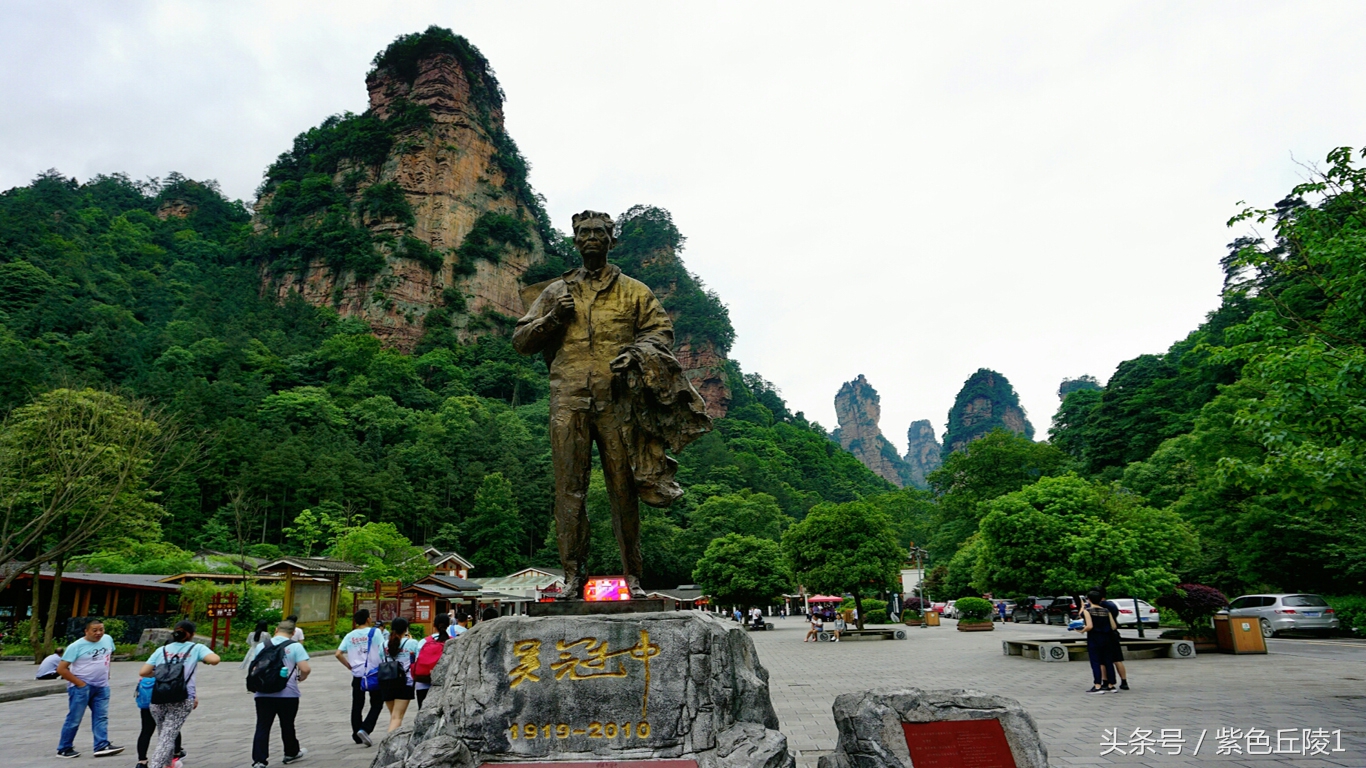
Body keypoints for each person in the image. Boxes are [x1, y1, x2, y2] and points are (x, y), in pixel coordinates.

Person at [513, 210, 711, 599]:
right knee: (569, 490)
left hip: (617, 400)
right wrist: (553, 318)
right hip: (567, 400)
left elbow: (661, 331)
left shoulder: (635, 291)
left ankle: (633, 578)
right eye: (584, 232)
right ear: (574, 240)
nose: (592, 238)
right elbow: (521, 342)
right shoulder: (555, 292)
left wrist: (638, 351)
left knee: (623, 489)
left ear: (611, 240)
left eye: (600, 232)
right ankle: (572, 577)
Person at [138, 620, 220, 768]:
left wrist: (161, 674)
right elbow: (215, 660)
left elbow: (143, 672)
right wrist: (203, 660)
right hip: (182, 698)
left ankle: (169, 763)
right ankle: (156, 765)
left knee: (165, 734)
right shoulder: (196, 648)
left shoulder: (161, 650)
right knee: (167, 737)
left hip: (158, 698)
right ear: (192, 634)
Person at [55, 618, 124, 758]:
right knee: (75, 718)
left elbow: (108, 656)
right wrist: (80, 684)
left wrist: (106, 672)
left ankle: (101, 745)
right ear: (86, 631)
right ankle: (64, 748)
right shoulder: (76, 646)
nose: (99, 633)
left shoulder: (108, 639)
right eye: (95, 630)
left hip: (102, 685)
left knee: (101, 716)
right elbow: (61, 669)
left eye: (101, 630)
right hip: (81, 687)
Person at [251, 619, 311, 767]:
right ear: (293, 633)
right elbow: (305, 669)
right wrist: (300, 678)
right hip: (288, 694)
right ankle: (291, 752)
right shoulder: (295, 646)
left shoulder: (262, 646)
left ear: (276, 630)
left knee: (262, 726)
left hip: (263, 693)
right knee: (287, 724)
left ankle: (259, 760)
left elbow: (254, 669)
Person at [336, 609, 383, 747]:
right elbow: (382, 649)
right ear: (368, 619)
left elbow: (338, 653)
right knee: (377, 703)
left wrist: (349, 666)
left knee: (357, 704)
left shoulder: (350, 635)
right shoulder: (376, 632)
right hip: (374, 673)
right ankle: (365, 728)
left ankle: (356, 734)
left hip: (357, 674)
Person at [379, 617, 420, 733]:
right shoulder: (412, 643)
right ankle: (389, 745)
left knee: (394, 716)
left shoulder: (383, 644)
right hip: (405, 682)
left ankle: (394, 740)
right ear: (406, 629)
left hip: (386, 681)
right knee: (397, 717)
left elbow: (381, 659)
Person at [1077, 590, 1118, 694]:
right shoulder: (1106, 610)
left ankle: (1097, 685)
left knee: (1096, 661)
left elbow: (1089, 626)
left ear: (1089, 599)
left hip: (1095, 638)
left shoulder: (1088, 611)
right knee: (1108, 661)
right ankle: (1111, 684)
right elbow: (1114, 626)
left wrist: (1082, 630)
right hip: (1107, 637)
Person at [414, 614, 453, 709]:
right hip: (445, 684)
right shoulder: (453, 641)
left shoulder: (424, 642)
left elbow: (417, 660)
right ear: (449, 625)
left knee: (423, 712)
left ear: (434, 625)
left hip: (423, 683)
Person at [1096, 588, 1131, 690]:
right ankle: (1124, 681)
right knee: (1117, 659)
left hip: (1103, 635)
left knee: (1102, 660)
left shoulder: (1099, 606)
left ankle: (1105, 681)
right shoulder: (1112, 605)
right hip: (1114, 634)